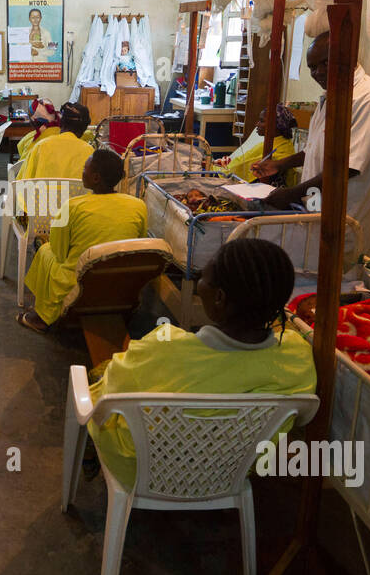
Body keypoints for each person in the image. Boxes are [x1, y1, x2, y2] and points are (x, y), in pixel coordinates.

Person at [87, 238, 318, 490]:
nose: (199, 285)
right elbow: (302, 419)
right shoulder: (298, 357)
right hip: (228, 475)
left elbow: (109, 393)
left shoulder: (162, 348)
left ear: (219, 297)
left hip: (141, 471)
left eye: (203, 278)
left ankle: (89, 456)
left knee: (97, 377)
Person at [254, 30, 370, 260]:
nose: (318, 72)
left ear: (347, 56)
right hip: (316, 208)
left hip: (349, 214)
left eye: (325, 63)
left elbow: (347, 168)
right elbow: (316, 149)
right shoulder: (331, 95)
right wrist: (279, 165)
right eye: (312, 67)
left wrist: (290, 195)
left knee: (345, 282)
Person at [19, 149, 147, 332]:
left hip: (81, 280)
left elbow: (60, 253)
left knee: (45, 250)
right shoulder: (138, 205)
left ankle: (43, 315)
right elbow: (138, 243)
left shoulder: (73, 207)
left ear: (95, 178)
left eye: (84, 169)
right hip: (122, 281)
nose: (82, 172)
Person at [217, 103, 297, 184]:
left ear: (276, 125)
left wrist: (217, 172)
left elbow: (244, 165)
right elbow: (242, 159)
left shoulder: (279, 151)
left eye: (261, 121)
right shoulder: (273, 142)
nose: (257, 124)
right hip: (224, 171)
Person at [18, 102, 93, 182]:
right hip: (77, 194)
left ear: (61, 123)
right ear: (84, 129)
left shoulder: (40, 146)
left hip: (43, 194)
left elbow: (22, 183)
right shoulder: (89, 151)